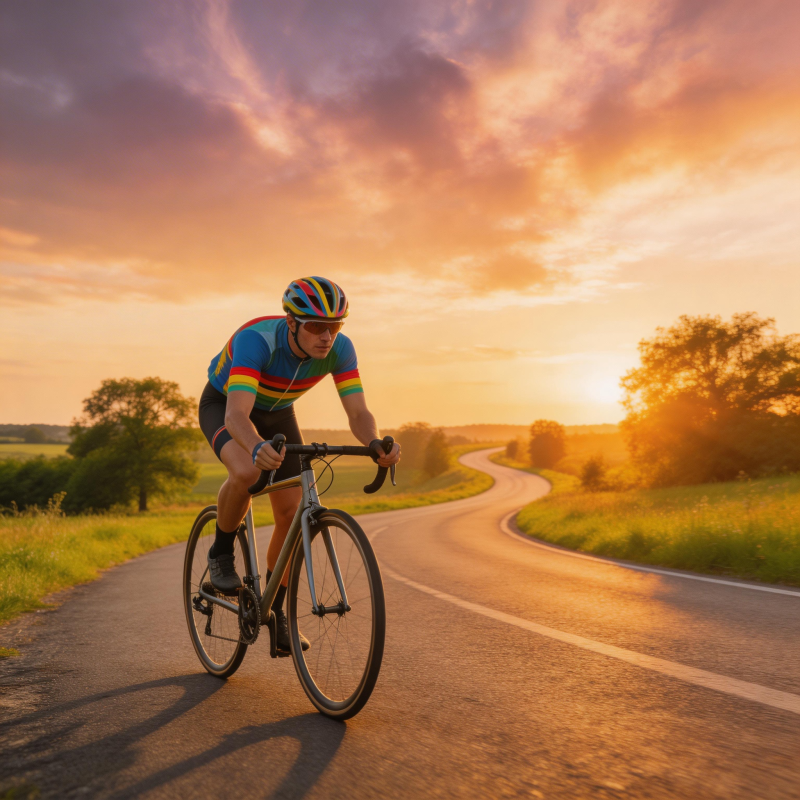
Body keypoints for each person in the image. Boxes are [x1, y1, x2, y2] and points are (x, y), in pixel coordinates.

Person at [198, 277, 401, 652]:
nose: (327, 336)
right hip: (227, 406)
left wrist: (373, 441)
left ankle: (274, 613)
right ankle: (221, 553)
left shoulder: (341, 350)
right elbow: (237, 414)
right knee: (246, 471)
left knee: (293, 513)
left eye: (335, 326)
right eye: (315, 326)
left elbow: (358, 412)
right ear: (291, 322)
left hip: (279, 413)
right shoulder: (256, 341)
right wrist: (256, 446)